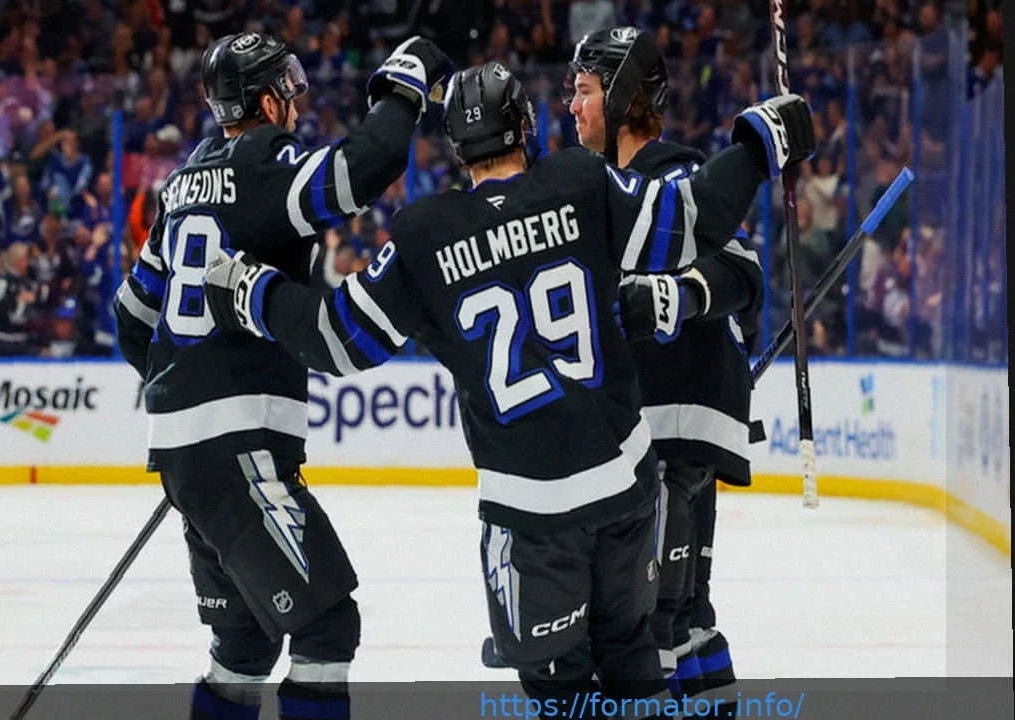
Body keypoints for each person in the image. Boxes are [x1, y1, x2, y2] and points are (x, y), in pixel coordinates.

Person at [203, 62, 813, 713]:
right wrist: (759, 143)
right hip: (626, 490)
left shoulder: (423, 233)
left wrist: (253, 291)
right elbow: (692, 218)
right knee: (633, 653)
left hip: (531, 516)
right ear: (525, 126)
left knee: (559, 686)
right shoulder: (582, 181)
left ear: (455, 146)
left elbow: (337, 339)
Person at [111, 32, 450, 720]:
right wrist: (405, 83)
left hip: (190, 446)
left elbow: (130, 317)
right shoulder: (263, 161)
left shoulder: (181, 185)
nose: (295, 101)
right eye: (286, 88)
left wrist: (189, 402)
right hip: (237, 445)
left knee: (244, 644)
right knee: (327, 627)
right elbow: (363, 168)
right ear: (266, 102)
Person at [567, 26, 765, 706]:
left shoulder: (677, 179)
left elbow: (741, 269)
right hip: (668, 426)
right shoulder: (604, 187)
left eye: (584, 91)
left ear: (623, 96)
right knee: (687, 618)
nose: (572, 106)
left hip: (669, 426)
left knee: (646, 625)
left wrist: (676, 295)